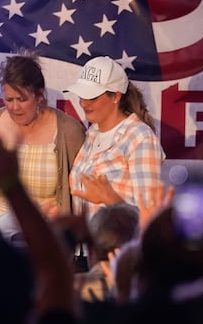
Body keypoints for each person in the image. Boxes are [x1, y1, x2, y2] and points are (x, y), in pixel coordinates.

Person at [0, 54, 85, 228]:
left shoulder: (69, 130)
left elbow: (79, 193)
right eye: (9, 99)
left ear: (40, 95)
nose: (15, 107)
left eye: (22, 99)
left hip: (47, 237)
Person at [64, 56, 165, 218]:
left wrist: (111, 199)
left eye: (92, 97)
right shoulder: (92, 134)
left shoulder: (140, 138)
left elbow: (151, 216)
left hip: (120, 242)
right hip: (88, 242)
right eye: (81, 95)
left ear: (116, 96)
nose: (83, 103)